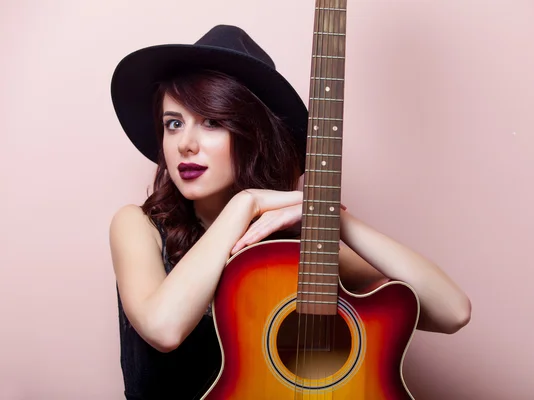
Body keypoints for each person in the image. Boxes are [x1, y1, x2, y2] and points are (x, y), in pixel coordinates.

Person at [109, 24, 471, 400]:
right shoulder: (137, 226)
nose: (185, 144)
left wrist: (335, 220)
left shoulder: (291, 249)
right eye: (173, 124)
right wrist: (243, 203)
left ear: (252, 134)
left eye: (212, 122)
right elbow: (164, 329)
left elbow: (452, 312)